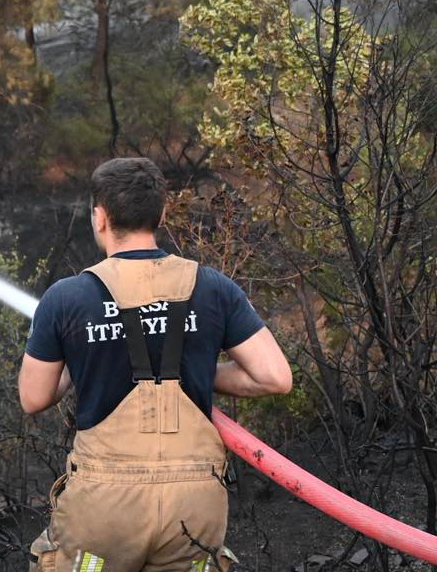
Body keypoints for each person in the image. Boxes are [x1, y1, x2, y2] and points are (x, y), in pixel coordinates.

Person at [19, 157, 292, 572]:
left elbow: (34, 397)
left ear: (100, 217)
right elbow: (274, 378)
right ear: (161, 215)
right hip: (194, 511)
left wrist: (81, 357)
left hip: (104, 511)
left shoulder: (65, 298)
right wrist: (193, 372)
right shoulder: (214, 288)